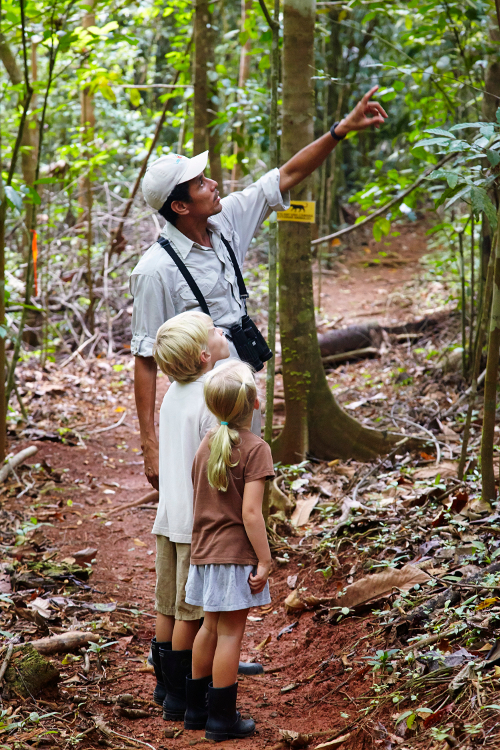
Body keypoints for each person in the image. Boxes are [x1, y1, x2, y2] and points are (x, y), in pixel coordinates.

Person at [131, 85, 388, 492]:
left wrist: (342, 130)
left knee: (247, 477)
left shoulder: (227, 221)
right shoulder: (155, 270)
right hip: (200, 398)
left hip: (244, 380)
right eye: (200, 184)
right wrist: (149, 442)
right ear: (179, 206)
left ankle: (250, 546)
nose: (214, 184)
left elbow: (286, 175)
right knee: (210, 489)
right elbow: (145, 357)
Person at [183, 360, 275, 741]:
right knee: (230, 634)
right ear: (254, 403)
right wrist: (266, 559)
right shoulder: (256, 449)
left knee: (209, 626)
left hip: (203, 553)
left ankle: (196, 710)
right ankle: (222, 719)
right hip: (235, 555)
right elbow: (251, 513)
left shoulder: (207, 442)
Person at [149, 311, 229, 719]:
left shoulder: (172, 395)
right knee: (188, 612)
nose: (222, 332)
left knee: (167, 605)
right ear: (202, 356)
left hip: (168, 517)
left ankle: (165, 687)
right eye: (214, 332)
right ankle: (184, 695)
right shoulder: (208, 400)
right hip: (195, 525)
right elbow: (215, 466)